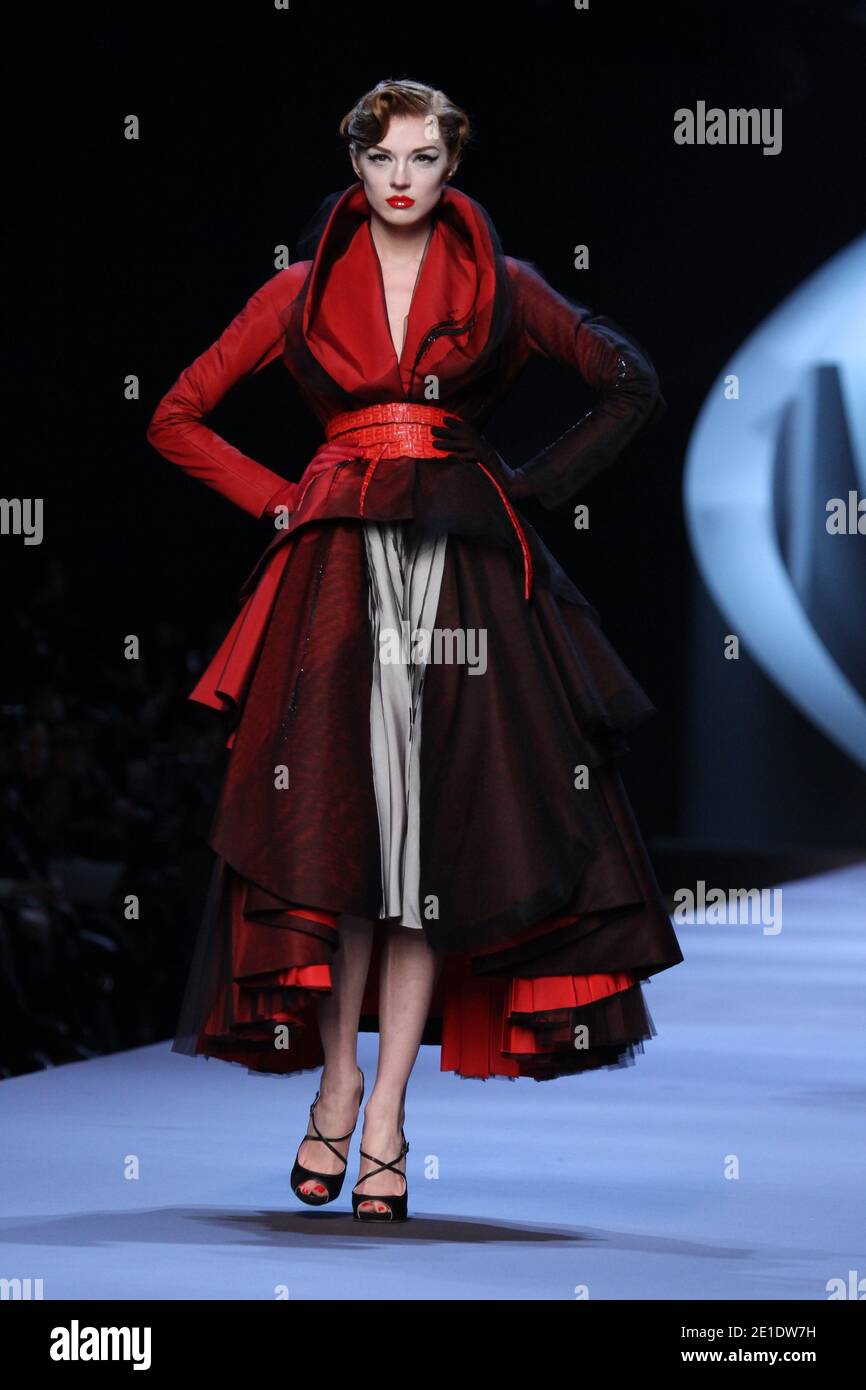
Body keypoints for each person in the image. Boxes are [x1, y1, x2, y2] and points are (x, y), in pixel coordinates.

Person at [146, 78, 684, 1222]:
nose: (400, 179)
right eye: (382, 158)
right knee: (335, 838)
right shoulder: (296, 293)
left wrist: (523, 490)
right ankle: (338, 1086)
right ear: (354, 163)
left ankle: (384, 1111)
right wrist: (278, 501)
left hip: (459, 570)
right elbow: (174, 414)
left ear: (451, 167)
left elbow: (626, 382)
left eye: (423, 160)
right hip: (336, 569)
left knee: (424, 853)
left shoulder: (499, 288)